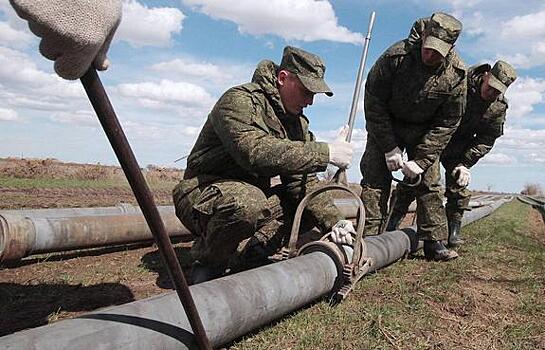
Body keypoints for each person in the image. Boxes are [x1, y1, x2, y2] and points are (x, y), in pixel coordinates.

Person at [173, 46, 356, 283]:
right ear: (283, 78)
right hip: (202, 194)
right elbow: (254, 152)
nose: (310, 101)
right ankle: (210, 262)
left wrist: (335, 221)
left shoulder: (296, 124)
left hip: (249, 196)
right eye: (305, 91)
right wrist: (326, 152)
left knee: (307, 207)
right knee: (247, 203)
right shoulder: (240, 101)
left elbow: (303, 182)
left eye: (314, 95)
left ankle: (250, 255)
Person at [360, 12, 466, 261]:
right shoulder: (396, 57)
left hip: (424, 131)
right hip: (387, 124)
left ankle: (433, 241)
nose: (430, 55)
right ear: (424, 37)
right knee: (375, 179)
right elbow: (373, 101)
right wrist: (388, 146)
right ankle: (369, 240)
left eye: (438, 52)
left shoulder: (455, 75)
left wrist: (421, 160)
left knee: (429, 183)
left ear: (450, 49)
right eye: (428, 48)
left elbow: (448, 122)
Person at [387, 60, 517, 247]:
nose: (492, 94)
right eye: (491, 87)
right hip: (433, 139)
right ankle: (391, 225)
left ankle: (452, 232)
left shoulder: (498, 107)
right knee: (413, 180)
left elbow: (487, 138)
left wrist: (465, 163)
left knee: (459, 187)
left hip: (458, 148)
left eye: (498, 91)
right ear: (486, 75)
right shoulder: (459, 82)